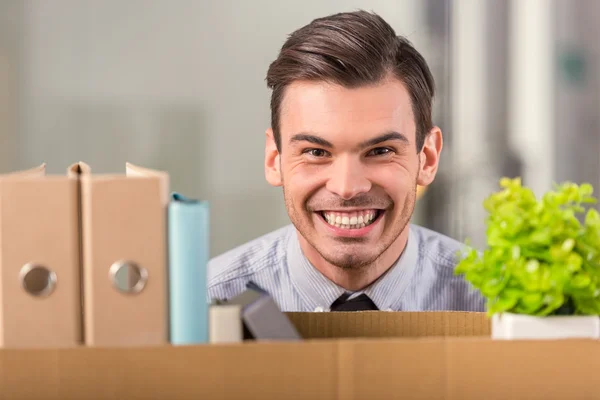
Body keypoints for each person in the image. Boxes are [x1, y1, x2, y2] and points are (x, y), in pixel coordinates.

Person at [207, 10, 485, 312]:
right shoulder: (202, 306)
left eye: (381, 151)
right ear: (275, 159)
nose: (347, 187)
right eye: (316, 152)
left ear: (428, 158)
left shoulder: (498, 304)